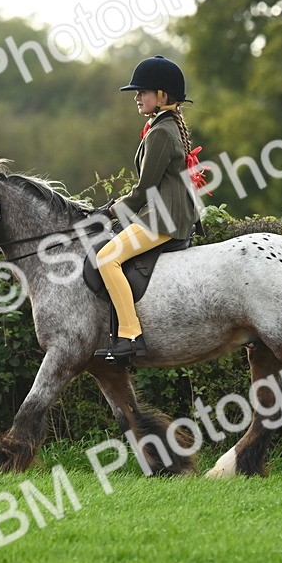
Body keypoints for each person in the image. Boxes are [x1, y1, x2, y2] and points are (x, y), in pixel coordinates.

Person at [94, 55, 201, 361]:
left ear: (163, 96)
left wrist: (111, 211)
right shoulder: (165, 127)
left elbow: (144, 189)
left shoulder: (160, 133)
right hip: (166, 213)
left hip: (163, 219)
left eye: (143, 91)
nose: (137, 97)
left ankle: (129, 335)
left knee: (107, 258)